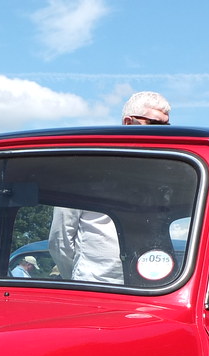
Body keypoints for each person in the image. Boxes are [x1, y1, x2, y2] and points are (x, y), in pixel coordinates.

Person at [48, 91, 171, 283]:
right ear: (128, 122)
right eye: (155, 124)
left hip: (148, 288)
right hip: (95, 288)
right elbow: (60, 240)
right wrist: (78, 278)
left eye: (167, 126)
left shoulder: (164, 174)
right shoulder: (84, 170)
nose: (164, 133)